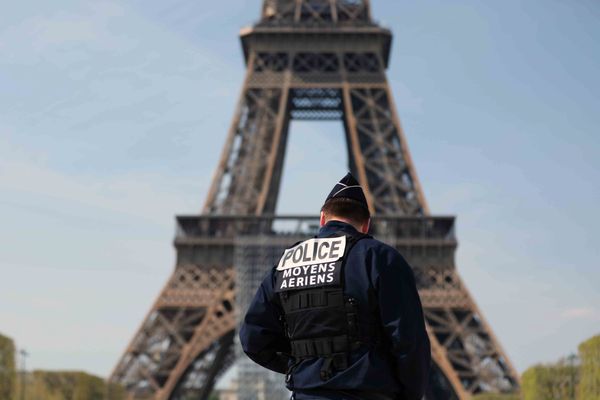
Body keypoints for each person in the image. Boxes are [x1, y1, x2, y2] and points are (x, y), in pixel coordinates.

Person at [239, 173, 431, 400]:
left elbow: (252, 338)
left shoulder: (286, 262)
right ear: (366, 225)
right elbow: (409, 340)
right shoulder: (379, 257)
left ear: (322, 219)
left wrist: (301, 365)